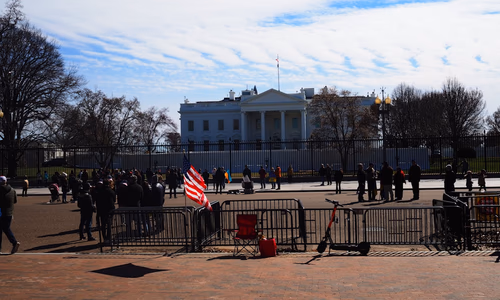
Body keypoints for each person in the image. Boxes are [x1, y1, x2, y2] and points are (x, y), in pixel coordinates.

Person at [0, 176, 21, 254]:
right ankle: (13, 243)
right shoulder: (12, 190)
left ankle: (14, 242)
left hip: (1, 212)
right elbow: (15, 201)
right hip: (9, 212)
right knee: (5, 228)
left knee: (4, 229)